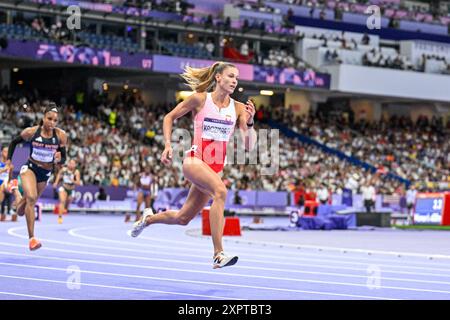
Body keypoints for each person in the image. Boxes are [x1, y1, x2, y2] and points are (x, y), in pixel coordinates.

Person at [131, 61, 257, 269]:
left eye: (236, 78)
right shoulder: (199, 99)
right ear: (218, 77)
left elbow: (249, 145)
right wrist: (168, 145)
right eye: (230, 76)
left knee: (183, 218)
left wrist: (250, 123)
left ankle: (148, 218)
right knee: (221, 191)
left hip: (213, 169)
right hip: (194, 161)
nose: (235, 81)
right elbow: (169, 117)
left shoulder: (239, 108)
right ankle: (218, 254)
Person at [6, 103, 68, 250]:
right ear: (43, 117)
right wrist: (9, 161)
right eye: (49, 119)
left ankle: (15, 190)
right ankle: (32, 239)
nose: (52, 123)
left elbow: (64, 158)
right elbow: (14, 142)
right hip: (30, 169)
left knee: (21, 210)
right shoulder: (32, 132)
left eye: (55, 120)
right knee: (32, 198)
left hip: (45, 173)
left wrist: (60, 158)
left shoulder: (60, 136)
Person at [52, 159, 81, 224]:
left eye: (73, 163)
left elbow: (78, 183)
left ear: (75, 165)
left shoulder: (76, 172)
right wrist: (56, 183)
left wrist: (73, 180)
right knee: (62, 201)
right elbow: (59, 174)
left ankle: (65, 208)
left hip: (71, 189)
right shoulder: (64, 170)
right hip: (64, 187)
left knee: (68, 203)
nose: (71, 165)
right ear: (68, 163)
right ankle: (60, 217)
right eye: (70, 163)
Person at [0, 146, 13, 221]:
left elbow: (10, 178)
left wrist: (10, 171)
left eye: (8, 152)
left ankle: (9, 210)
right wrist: (4, 169)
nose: (7, 153)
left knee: (13, 186)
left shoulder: (9, 164)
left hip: (5, 184)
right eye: (5, 151)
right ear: (1, 152)